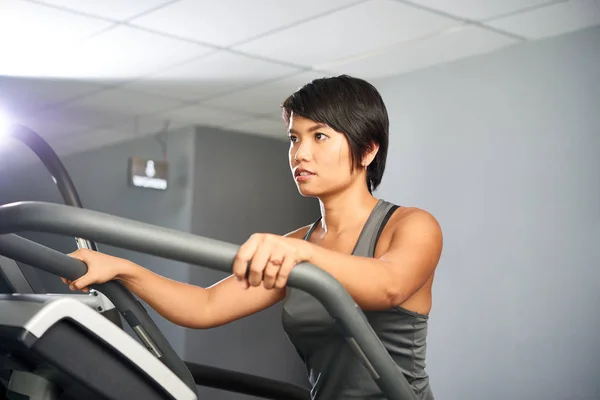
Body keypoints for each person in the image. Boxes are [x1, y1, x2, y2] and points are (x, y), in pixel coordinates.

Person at [62, 75, 443, 399]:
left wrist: (300, 255)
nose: (299, 153)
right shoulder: (299, 244)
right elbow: (205, 305)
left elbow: (389, 286)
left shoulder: (411, 226)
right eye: (295, 138)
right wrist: (122, 269)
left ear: (368, 150)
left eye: (320, 136)